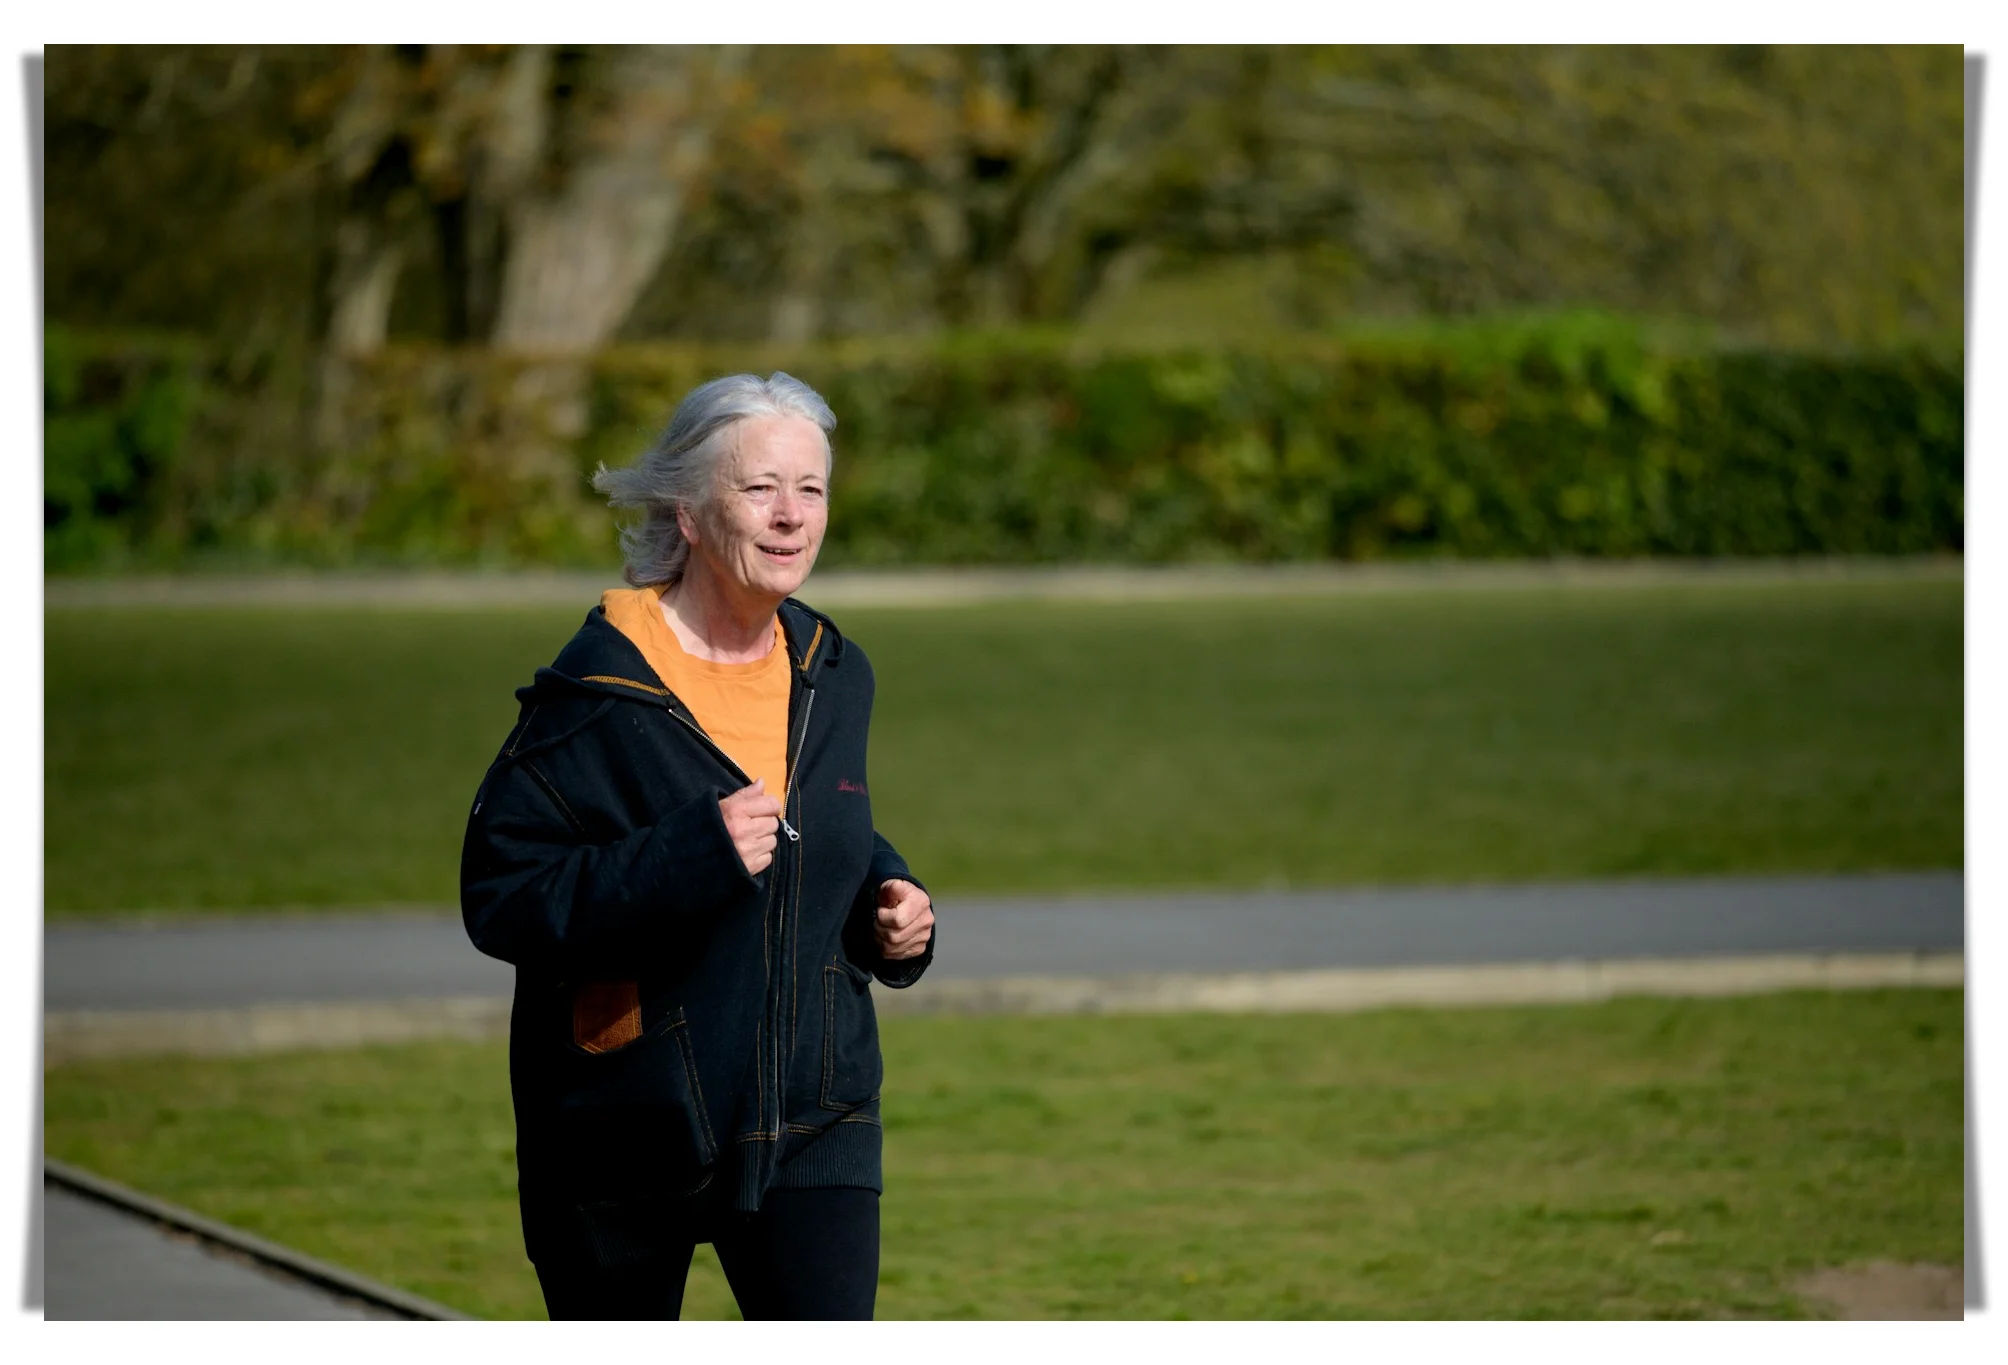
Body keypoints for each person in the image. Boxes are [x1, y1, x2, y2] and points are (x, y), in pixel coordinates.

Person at [459, 372, 936, 1321]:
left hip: (816, 1117)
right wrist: (687, 855)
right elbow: (502, 893)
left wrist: (891, 899)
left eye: (812, 488)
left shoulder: (833, 670)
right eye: (760, 488)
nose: (792, 515)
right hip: (625, 1125)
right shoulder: (597, 692)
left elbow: (820, 825)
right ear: (686, 508)